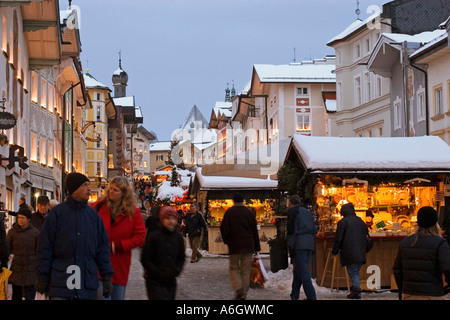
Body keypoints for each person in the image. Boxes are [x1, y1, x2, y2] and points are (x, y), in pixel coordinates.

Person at [35, 172, 114, 300]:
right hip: (61, 282)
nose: (89, 189)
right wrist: (43, 276)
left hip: (86, 282)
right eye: (85, 185)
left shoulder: (93, 216)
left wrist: (106, 276)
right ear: (74, 189)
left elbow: (102, 248)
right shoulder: (57, 214)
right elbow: (45, 247)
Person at [91, 176, 146, 300]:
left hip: (119, 264)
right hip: (98, 263)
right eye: (111, 189)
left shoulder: (133, 213)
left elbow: (140, 237)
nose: (111, 192)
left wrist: (119, 246)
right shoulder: (98, 207)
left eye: (116, 190)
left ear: (124, 193)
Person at [393, 206, 450, 300]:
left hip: (409, 293)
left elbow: (397, 270)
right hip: (432, 293)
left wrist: (402, 290)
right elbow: (447, 268)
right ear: (436, 223)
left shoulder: (406, 242)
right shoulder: (440, 243)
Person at [220, 193, 261, 300]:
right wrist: (257, 247)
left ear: (233, 201)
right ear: (243, 201)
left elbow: (224, 228)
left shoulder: (229, 212)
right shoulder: (249, 212)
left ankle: (238, 288)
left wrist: (227, 241)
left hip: (234, 246)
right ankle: (244, 294)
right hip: (248, 246)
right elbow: (254, 231)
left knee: (234, 268)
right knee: (246, 271)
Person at [141, 206, 186, 300]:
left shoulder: (178, 238)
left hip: (170, 280)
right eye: (168, 218)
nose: (171, 221)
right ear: (162, 219)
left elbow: (181, 257)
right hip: (154, 281)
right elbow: (145, 258)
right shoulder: (154, 236)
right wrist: (156, 272)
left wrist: (176, 270)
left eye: (173, 218)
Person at [332, 202, 369, 299]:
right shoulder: (360, 221)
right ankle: (355, 290)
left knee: (353, 271)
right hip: (360, 250)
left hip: (349, 251)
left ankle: (356, 291)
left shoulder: (343, 222)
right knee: (355, 270)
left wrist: (335, 251)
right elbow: (367, 233)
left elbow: (338, 238)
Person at [286, 195, 317, 300]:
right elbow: (314, 228)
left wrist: (291, 246)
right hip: (309, 243)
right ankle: (294, 295)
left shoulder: (292, 212)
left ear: (291, 203)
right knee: (298, 270)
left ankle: (312, 296)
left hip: (299, 244)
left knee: (303, 272)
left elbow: (291, 230)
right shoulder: (307, 212)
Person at [6, 207, 40, 300]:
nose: (20, 220)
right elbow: (8, 248)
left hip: (31, 268)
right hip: (16, 268)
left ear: (28, 219)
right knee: (16, 294)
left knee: (30, 294)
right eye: (19, 218)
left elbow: (38, 250)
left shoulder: (35, 233)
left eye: (23, 218)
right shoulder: (12, 232)